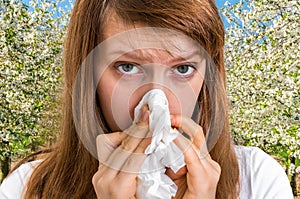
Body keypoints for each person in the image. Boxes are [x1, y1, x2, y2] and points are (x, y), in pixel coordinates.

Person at [0, 0, 294, 198]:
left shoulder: (258, 181)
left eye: (182, 69)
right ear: (88, 75)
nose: (157, 102)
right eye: (127, 68)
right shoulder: (26, 188)